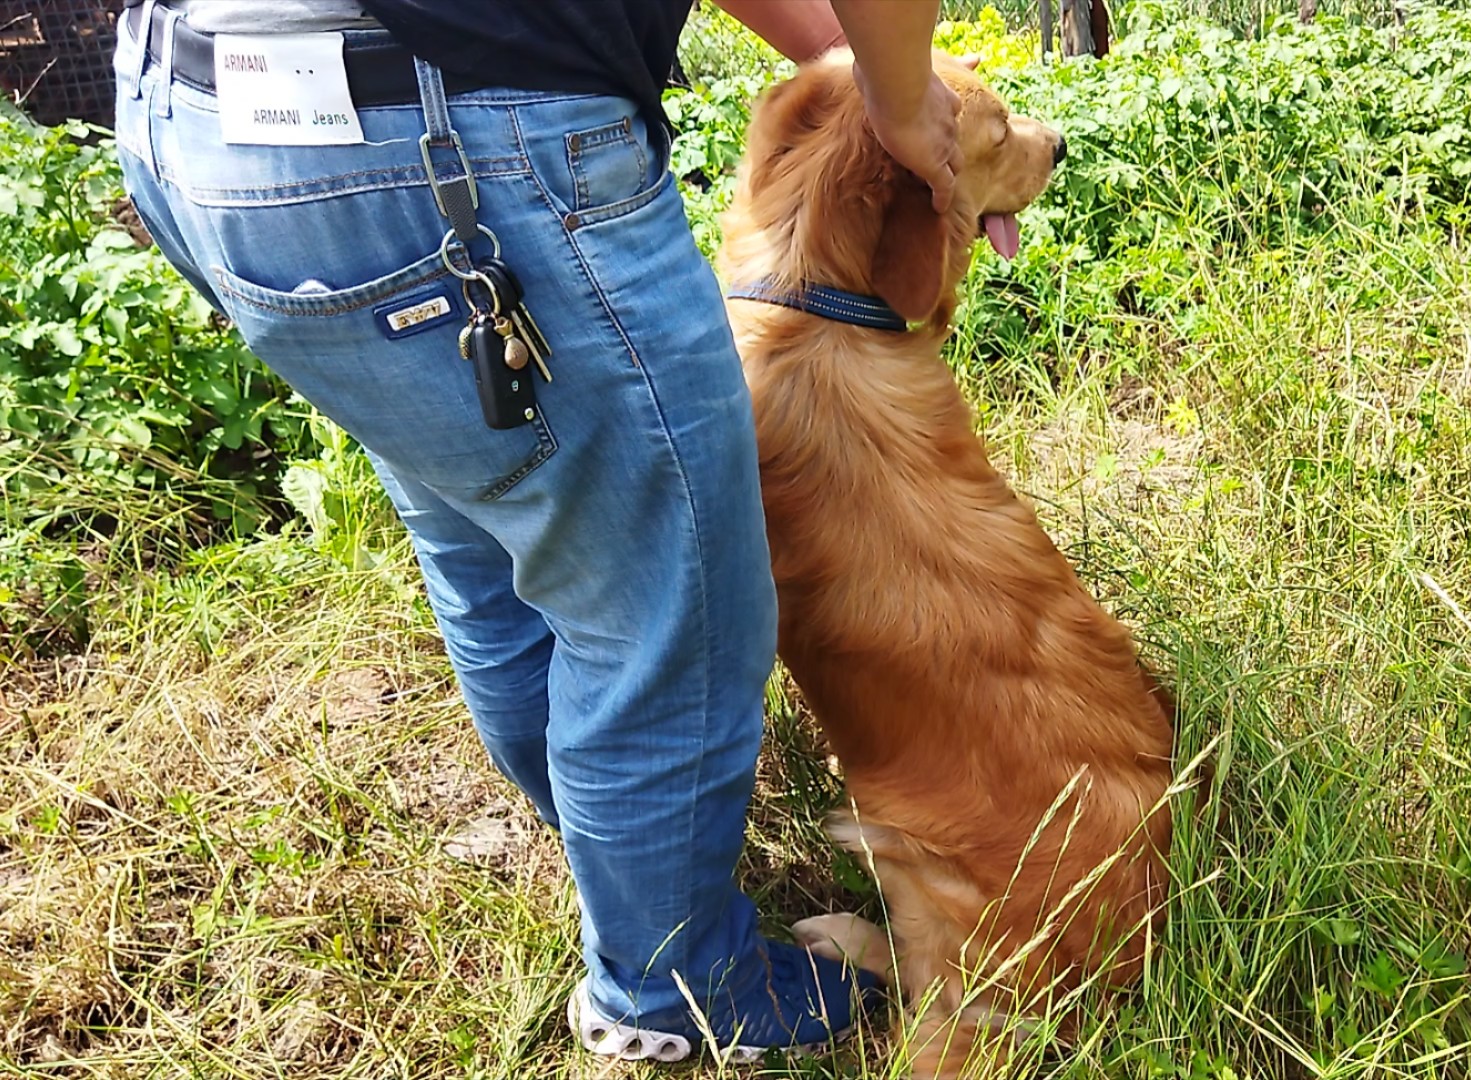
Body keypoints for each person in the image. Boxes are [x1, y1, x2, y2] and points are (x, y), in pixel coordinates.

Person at [110, 0, 962, 1063]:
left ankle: (634, 869)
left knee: (493, 544)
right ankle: (671, 990)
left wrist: (832, 57)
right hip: (439, 140)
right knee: (672, 601)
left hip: (193, 114)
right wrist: (894, 92)